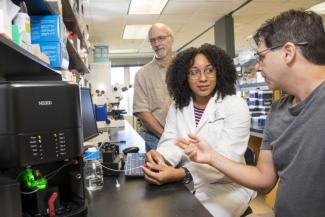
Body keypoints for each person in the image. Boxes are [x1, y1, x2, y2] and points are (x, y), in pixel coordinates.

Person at [177, 10, 325, 217]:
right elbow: (264, 180)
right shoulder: (279, 110)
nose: (257, 66)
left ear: (288, 52)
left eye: (261, 57)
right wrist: (211, 157)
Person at [141, 43, 256, 217]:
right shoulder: (178, 107)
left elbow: (227, 157)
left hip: (228, 184)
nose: (203, 78)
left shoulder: (235, 105)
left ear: (219, 72)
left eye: (209, 70)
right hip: (189, 180)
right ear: (184, 76)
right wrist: (161, 158)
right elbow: (171, 139)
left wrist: (181, 174)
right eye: (194, 72)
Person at [133, 23, 174, 151]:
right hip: (156, 138)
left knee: (188, 171)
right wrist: (166, 137)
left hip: (187, 138)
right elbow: (142, 112)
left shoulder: (186, 69)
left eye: (161, 38)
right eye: (152, 40)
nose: (157, 44)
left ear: (171, 39)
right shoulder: (143, 74)